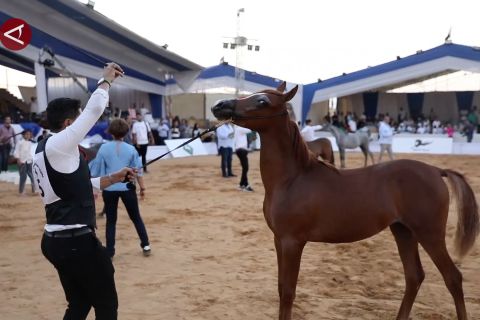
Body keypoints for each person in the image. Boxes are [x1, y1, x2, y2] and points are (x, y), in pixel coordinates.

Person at [33, 63, 134, 319]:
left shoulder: (45, 148)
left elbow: (73, 189)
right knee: (106, 305)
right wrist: (106, 80)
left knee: (79, 303)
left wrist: (112, 178)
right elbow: (96, 108)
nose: (82, 124)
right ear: (68, 122)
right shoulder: (60, 144)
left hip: (55, 241)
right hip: (76, 241)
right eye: (78, 119)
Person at [89, 119, 151, 258]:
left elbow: (96, 169)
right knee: (136, 218)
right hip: (127, 188)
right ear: (126, 132)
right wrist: (142, 188)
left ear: (111, 132)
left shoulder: (103, 149)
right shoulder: (131, 149)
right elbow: (138, 171)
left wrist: (95, 187)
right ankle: (145, 244)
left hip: (109, 188)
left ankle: (110, 251)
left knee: (111, 221)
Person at [14, 129, 35, 195]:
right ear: (23, 135)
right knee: (23, 176)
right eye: (26, 134)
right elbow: (16, 151)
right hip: (22, 161)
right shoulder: (20, 142)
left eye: (29, 134)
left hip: (29, 161)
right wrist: (18, 159)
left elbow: (32, 152)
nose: (28, 135)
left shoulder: (31, 143)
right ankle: (21, 191)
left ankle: (34, 190)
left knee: (32, 175)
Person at [234, 125, 253, 192]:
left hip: (241, 150)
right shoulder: (240, 129)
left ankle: (244, 184)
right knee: (245, 168)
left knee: (245, 168)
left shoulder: (239, 129)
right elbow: (250, 130)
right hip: (241, 150)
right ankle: (243, 184)